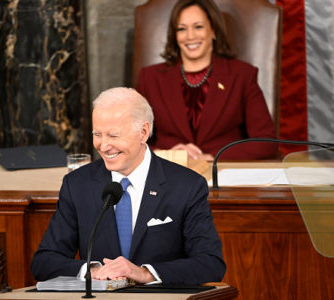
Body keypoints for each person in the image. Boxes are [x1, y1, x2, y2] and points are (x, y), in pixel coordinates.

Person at [31, 87, 225, 285]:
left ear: (143, 132)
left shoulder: (187, 186)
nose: (103, 146)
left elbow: (210, 264)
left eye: (113, 136)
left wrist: (145, 273)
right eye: (97, 134)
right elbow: (44, 262)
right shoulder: (78, 184)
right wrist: (92, 270)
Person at [136, 0, 278, 160]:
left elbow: (267, 142)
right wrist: (168, 155)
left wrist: (213, 156)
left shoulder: (242, 75)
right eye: (182, 29)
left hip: (223, 174)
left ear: (214, 30)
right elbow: (132, 141)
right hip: (170, 173)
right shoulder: (150, 78)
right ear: (175, 35)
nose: (190, 36)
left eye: (198, 27)